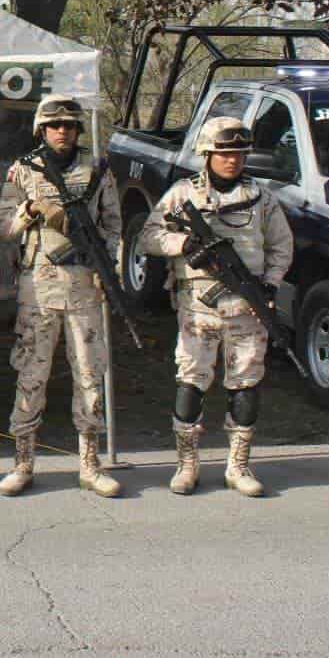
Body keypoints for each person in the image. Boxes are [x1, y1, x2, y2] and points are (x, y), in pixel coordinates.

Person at [139, 117, 294, 497]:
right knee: (192, 379)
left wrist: (270, 283)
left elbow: (281, 246)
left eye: (239, 154)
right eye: (224, 153)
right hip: (198, 304)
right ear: (207, 154)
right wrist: (185, 246)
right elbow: (148, 236)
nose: (233, 161)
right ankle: (186, 463)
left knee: (245, 381)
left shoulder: (262, 197)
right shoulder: (182, 194)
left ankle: (238, 465)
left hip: (247, 304)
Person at [0, 95, 123, 498]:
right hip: (39, 288)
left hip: (85, 285)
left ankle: (90, 462)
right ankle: (23, 461)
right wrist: (30, 212)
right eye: (54, 125)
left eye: (69, 125)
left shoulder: (98, 171)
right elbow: (4, 227)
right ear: (41, 130)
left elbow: (114, 226)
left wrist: (109, 267)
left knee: (90, 374)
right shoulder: (23, 172)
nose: (62, 131)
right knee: (31, 375)